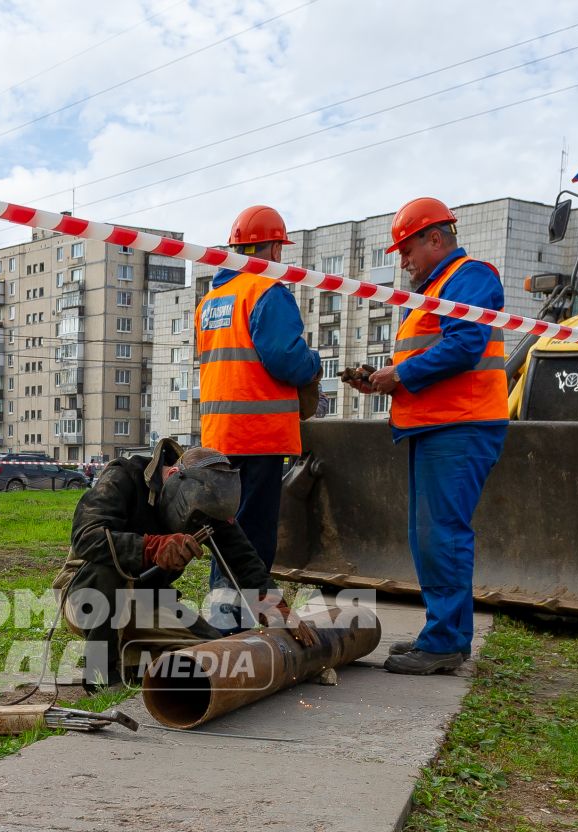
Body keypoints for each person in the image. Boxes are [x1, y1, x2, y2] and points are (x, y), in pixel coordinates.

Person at [352, 197, 507, 676]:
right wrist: (386, 378)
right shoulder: (436, 288)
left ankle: (444, 642)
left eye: (407, 249)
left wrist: (398, 377)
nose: (403, 261)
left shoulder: (471, 277)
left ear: (435, 238)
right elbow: (435, 352)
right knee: (429, 536)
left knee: (443, 535)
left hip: (461, 425)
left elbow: (464, 347)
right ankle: (443, 637)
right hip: (436, 426)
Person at [53, 440, 316, 687]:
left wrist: (276, 609)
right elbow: (87, 537)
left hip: (148, 602)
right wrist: (152, 547)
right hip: (85, 596)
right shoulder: (123, 477)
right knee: (107, 568)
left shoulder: (208, 500)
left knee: (213, 652)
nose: (198, 522)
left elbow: (243, 560)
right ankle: (100, 673)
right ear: (173, 475)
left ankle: (134, 659)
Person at [195, 205, 321, 629]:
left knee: (226, 531)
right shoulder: (266, 289)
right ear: (268, 246)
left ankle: (221, 619)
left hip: (218, 437)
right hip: (259, 436)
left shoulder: (212, 300)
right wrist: (313, 363)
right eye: (279, 248)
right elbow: (286, 359)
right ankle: (241, 625)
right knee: (252, 536)